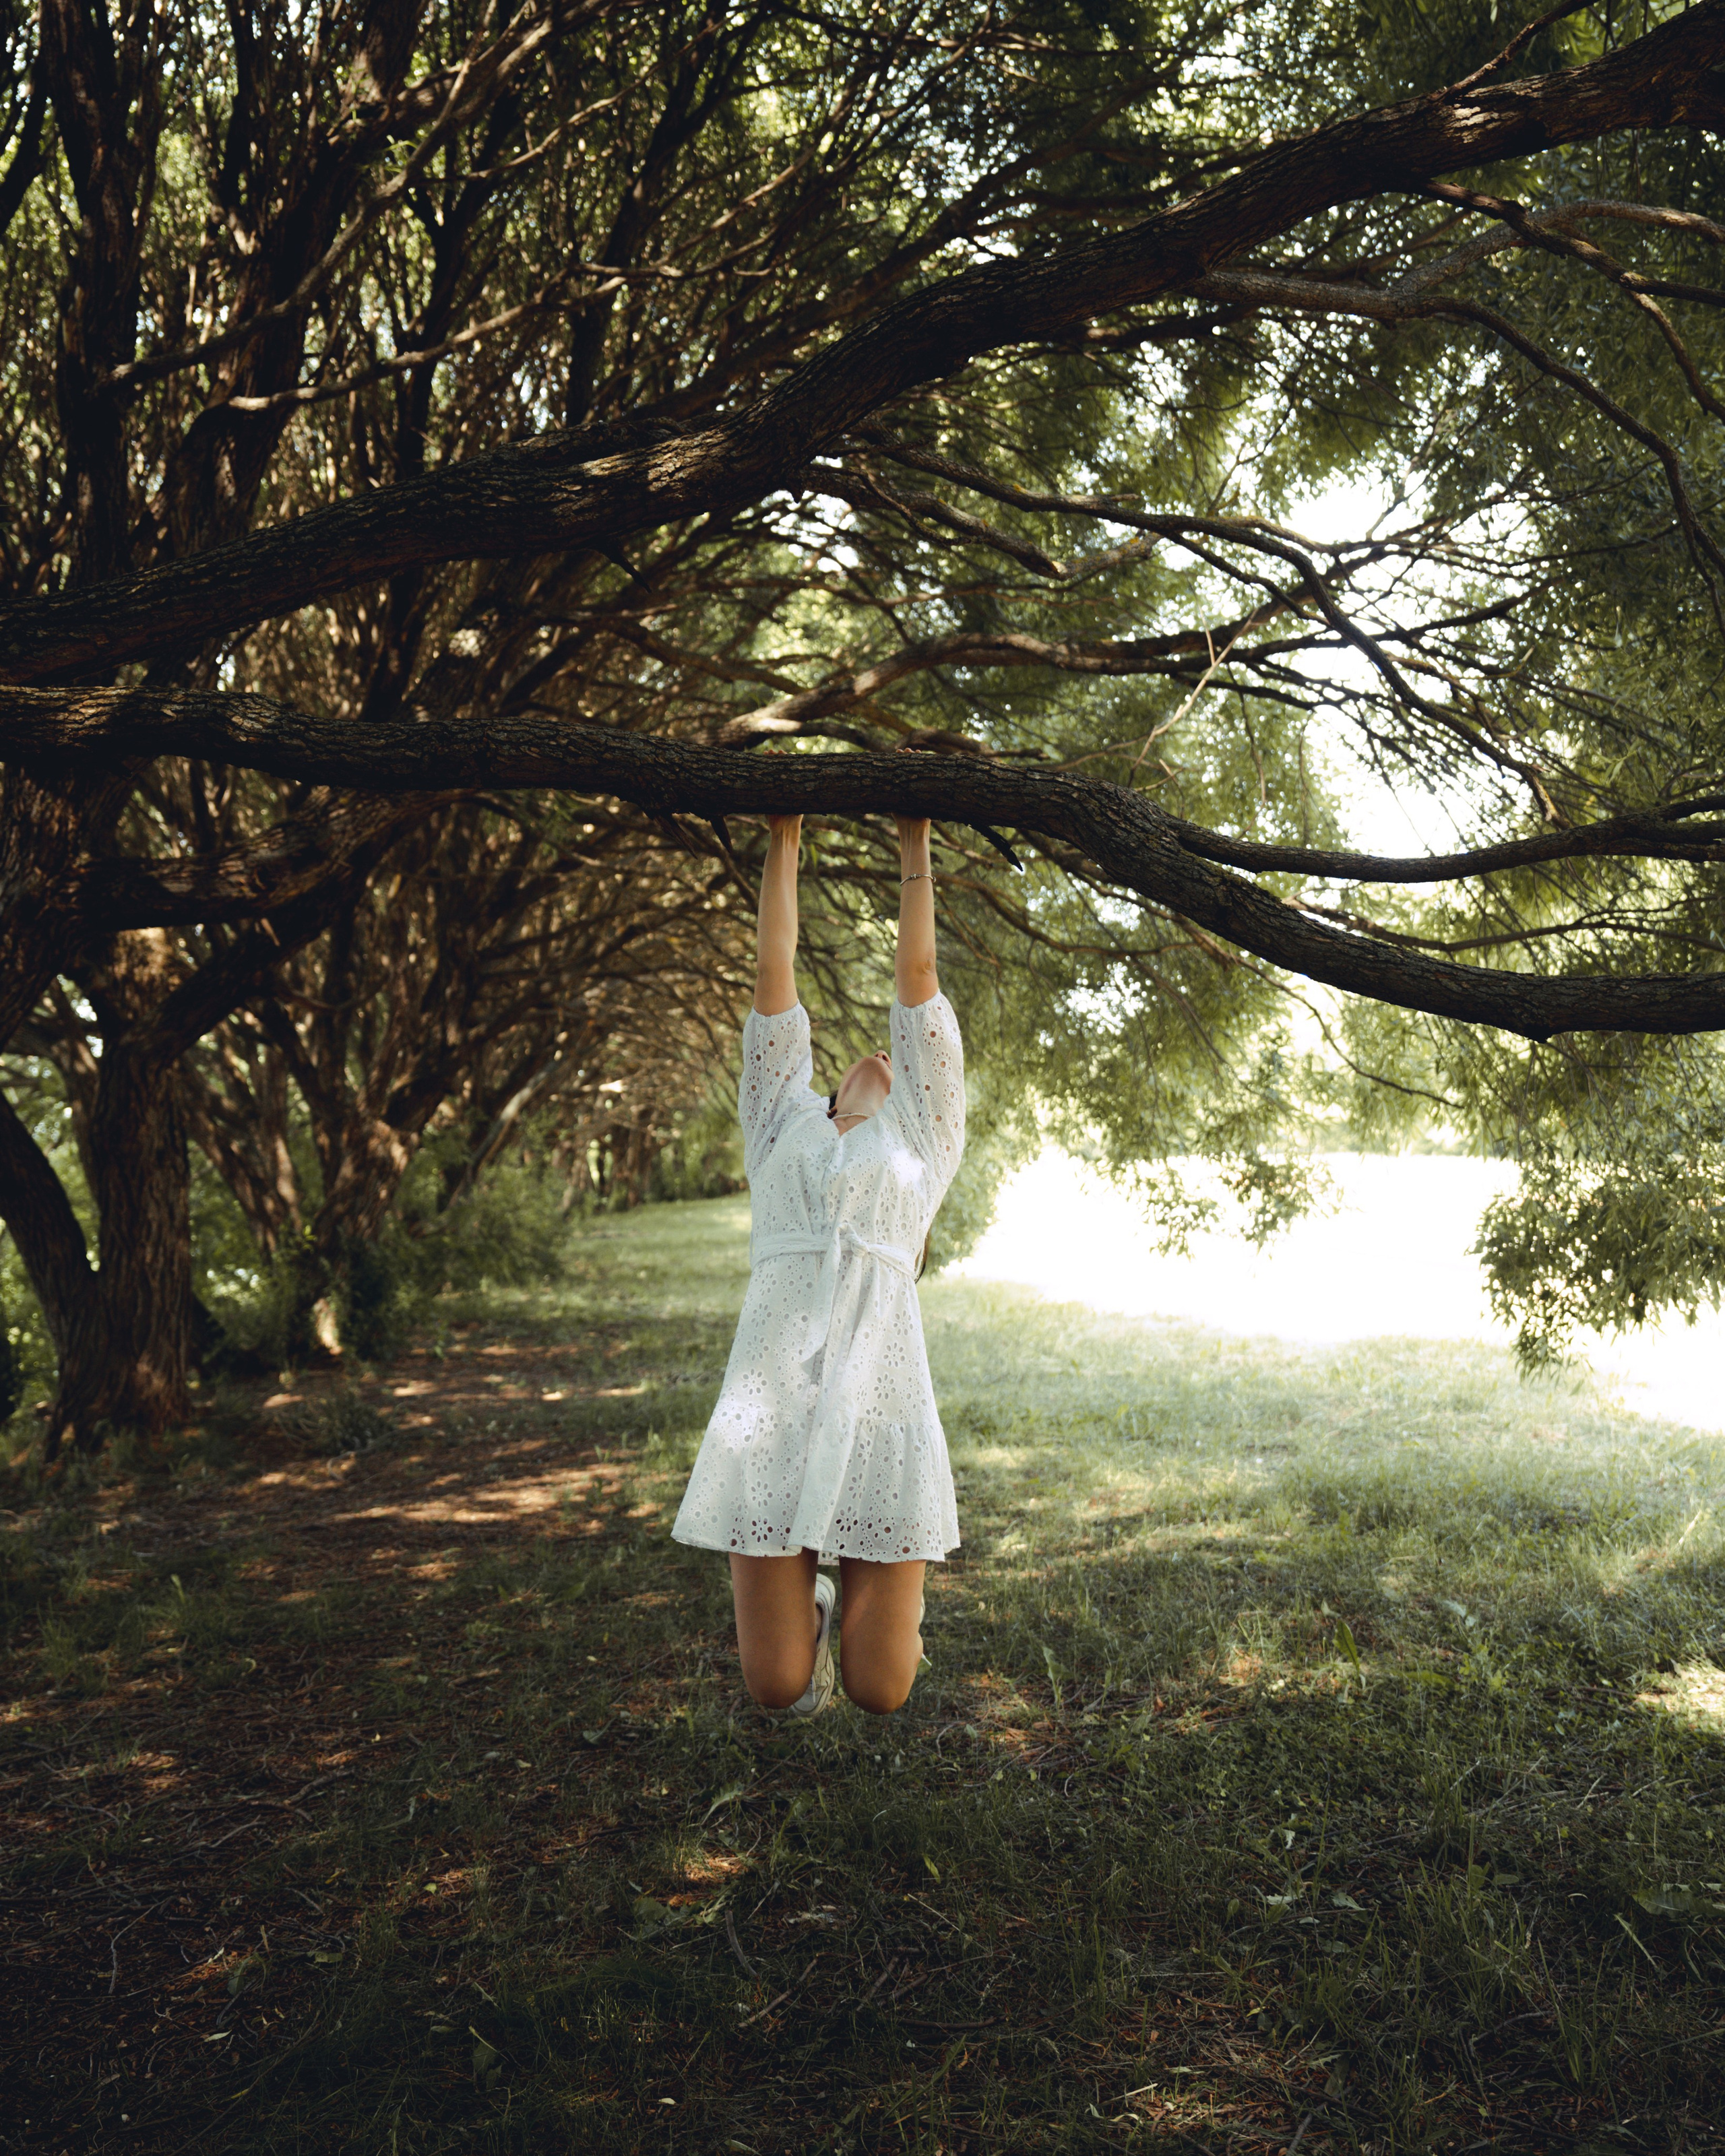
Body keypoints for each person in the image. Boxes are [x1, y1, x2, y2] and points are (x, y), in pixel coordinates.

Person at [671, 813, 966, 1716]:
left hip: (882, 1403)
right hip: (772, 1411)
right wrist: (783, 834)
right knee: (778, 1685)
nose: (883, 1057)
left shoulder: (924, 1135)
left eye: (896, 1059)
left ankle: (874, 1608)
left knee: (880, 1691)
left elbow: (917, 982)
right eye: (862, 1062)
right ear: (828, 1087)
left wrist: (914, 835)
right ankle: (816, 1597)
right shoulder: (778, 1124)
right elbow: (774, 975)